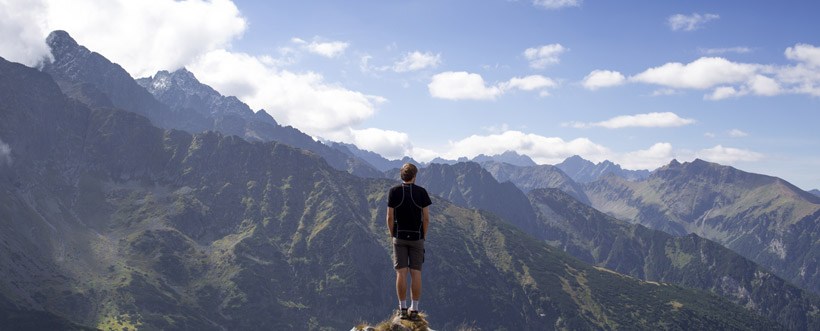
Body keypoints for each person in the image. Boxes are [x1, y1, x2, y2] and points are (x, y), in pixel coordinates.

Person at [386, 163, 431, 321]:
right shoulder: (421, 193)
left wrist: (393, 235)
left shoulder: (394, 191)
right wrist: (423, 236)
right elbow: (426, 218)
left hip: (399, 236)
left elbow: (390, 217)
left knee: (401, 272)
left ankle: (402, 307)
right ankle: (415, 309)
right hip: (417, 237)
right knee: (416, 273)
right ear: (414, 176)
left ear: (401, 175)